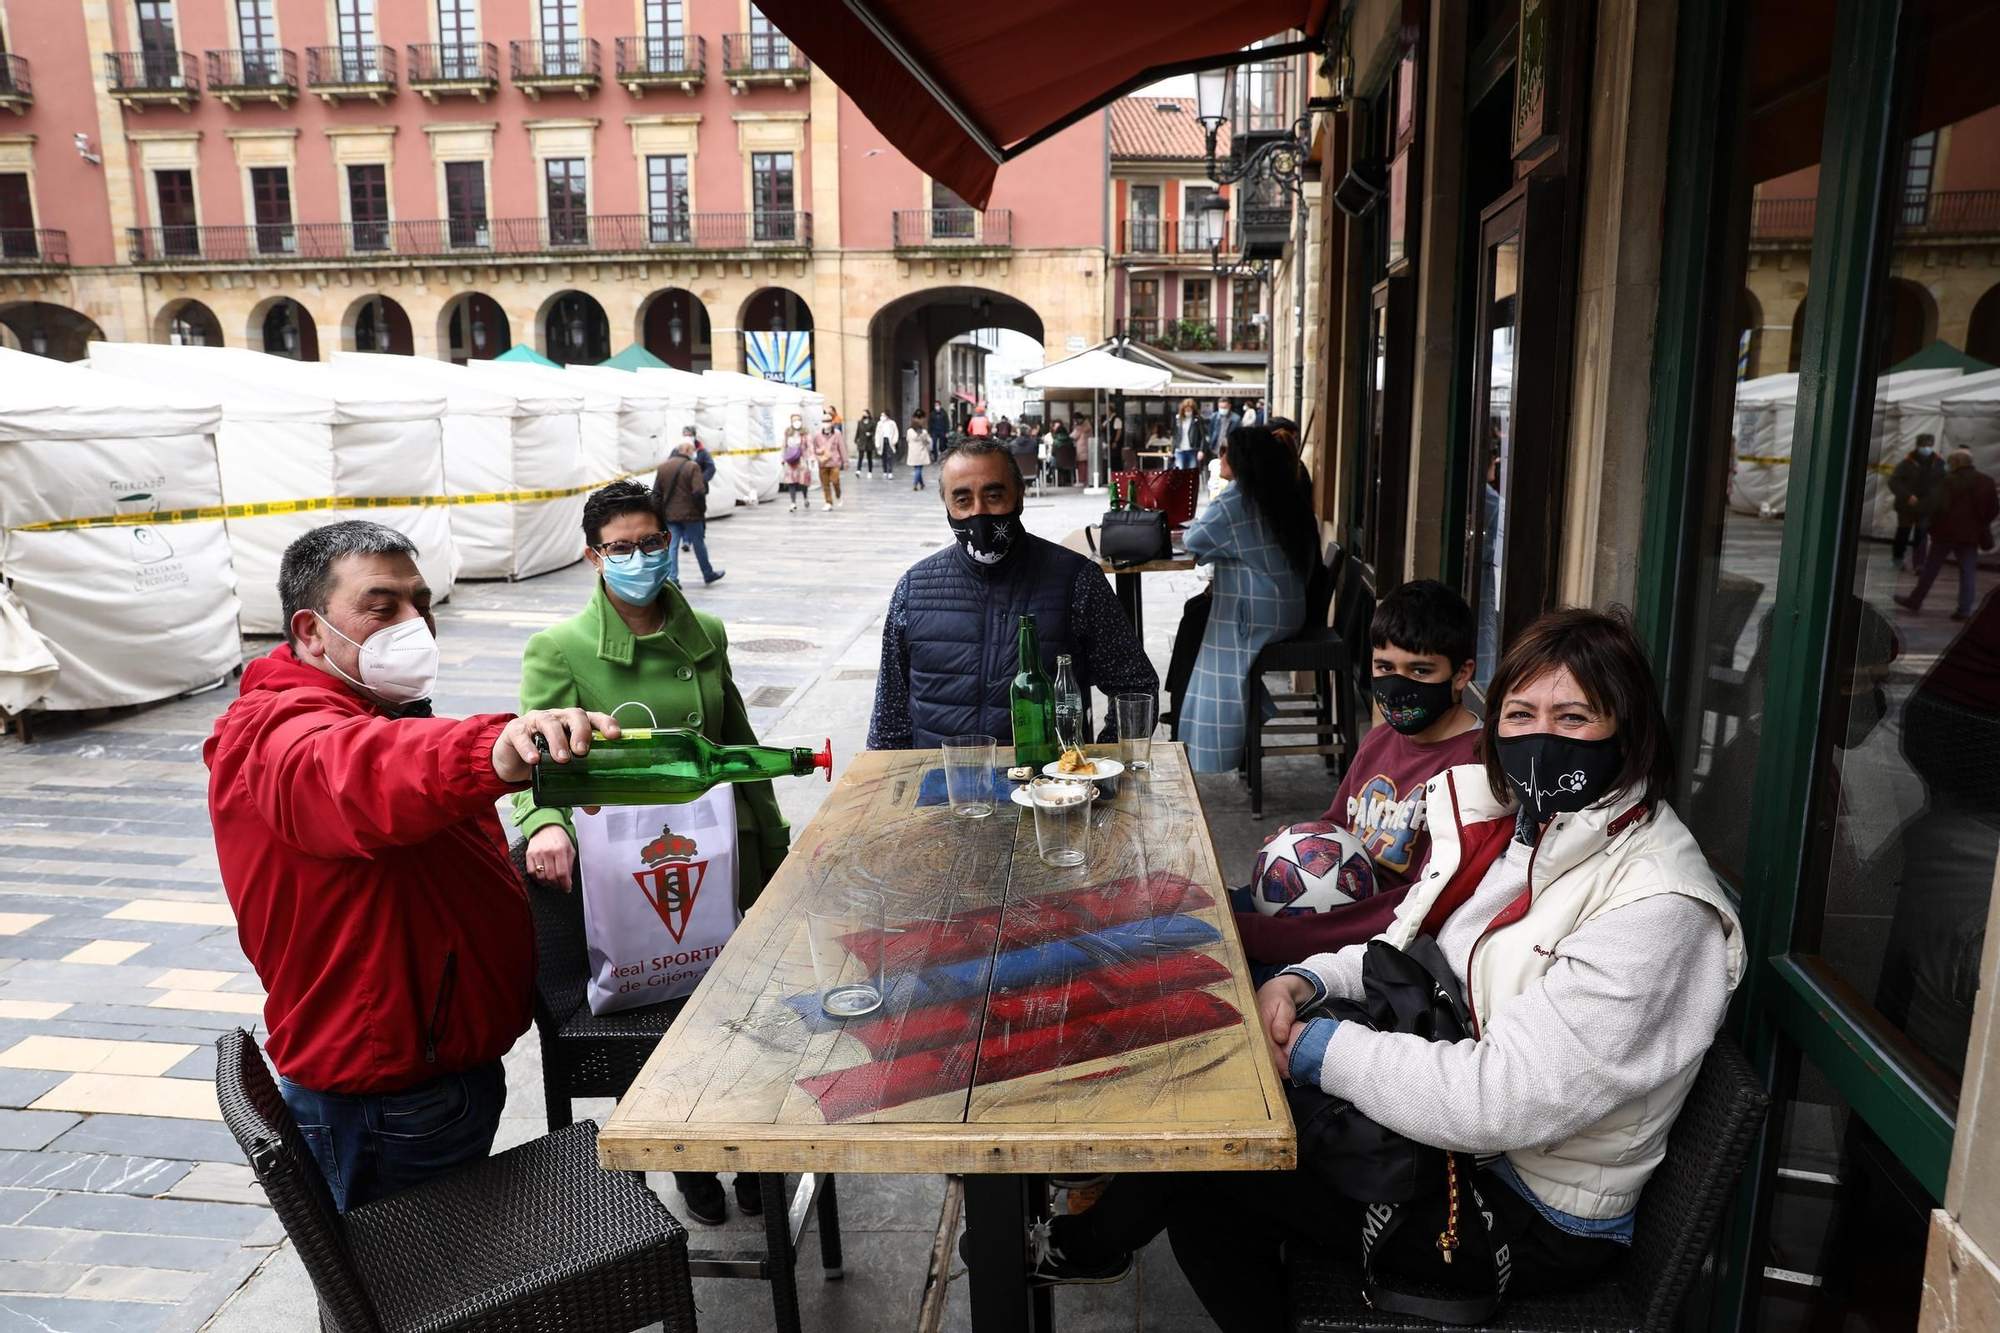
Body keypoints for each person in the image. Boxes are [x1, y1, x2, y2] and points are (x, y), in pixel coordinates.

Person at [1011, 610, 1743, 1333]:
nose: (1540, 735)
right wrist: (1307, 980)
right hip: (1465, 1143)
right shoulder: (1533, 828)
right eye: (1520, 712)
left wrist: (1315, 1050)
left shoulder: (1657, 908)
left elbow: (1500, 1098)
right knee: (1217, 1117)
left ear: (1632, 731)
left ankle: (1088, 1243)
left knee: (1214, 1167)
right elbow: (1405, 950)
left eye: (1575, 716)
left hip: (1530, 1207)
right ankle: (1093, 1235)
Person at [204, 520, 618, 1212]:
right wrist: (493, 750)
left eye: (421, 602)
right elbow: (356, 773)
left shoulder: (369, 707)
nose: (414, 622)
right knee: (415, 1296)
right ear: (310, 632)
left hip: (425, 1082)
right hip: (391, 1106)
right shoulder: (279, 732)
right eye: (382, 605)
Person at [514, 481, 788, 1225]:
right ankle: (688, 1158)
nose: (640, 557)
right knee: (664, 1009)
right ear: (593, 556)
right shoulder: (561, 648)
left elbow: (738, 746)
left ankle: (752, 1152)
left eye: (652, 542)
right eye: (622, 547)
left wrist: (775, 835)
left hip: (723, 851)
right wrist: (544, 821)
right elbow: (531, 760)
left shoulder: (707, 633)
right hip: (634, 870)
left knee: (743, 1012)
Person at [1232, 580, 1483, 970]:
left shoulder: (1474, 769)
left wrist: (1267, 937)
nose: (1397, 686)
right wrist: (1302, 845)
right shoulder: (1381, 738)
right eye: (1385, 667)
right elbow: (1338, 825)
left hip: (1362, 945)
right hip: (1309, 905)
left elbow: (1420, 905)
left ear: (1462, 674)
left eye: (1420, 670)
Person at [868, 437, 1158, 750]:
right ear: (947, 505)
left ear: (1019, 495)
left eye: (993, 495)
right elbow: (889, 720)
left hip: (1047, 790)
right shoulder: (914, 589)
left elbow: (1136, 687)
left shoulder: (1076, 580)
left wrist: (1100, 767)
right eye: (963, 500)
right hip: (940, 787)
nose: (979, 512)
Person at [1178, 426, 1317, 772]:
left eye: (1226, 450)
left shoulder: (1237, 498)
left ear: (1241, 459)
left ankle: (1213, 746)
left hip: (1262, 614)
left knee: (1204, 635)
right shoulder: (1282, 491)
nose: (1220, 456)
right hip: (1291, 609)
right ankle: (1189, 705)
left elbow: (1195, 540)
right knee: (1195, 613)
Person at [1898, 450, 1997, 620]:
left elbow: (1939, 508)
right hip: (1971, 535)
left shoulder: (1949, 481)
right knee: (1968, 572)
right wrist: (1980, 525)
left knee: (1931, 568)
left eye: (1951, 462)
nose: (1949, 465)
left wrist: (1932, 527)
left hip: (1946, 533)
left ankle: (1916, 600)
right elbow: (1994, 509)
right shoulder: (1987, 482)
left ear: (1958, 462)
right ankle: (1964, 610)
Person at [652, 435, 722, 587]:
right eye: (692, 450)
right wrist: (701, 509)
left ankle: (673, 578)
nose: (694, 452)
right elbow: (698, 491)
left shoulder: (663, 467)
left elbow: (656, 492)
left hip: (670, 514)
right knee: (698, 544)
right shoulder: (692, 466)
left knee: (672, 546)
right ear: (687, 449)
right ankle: (707, 573)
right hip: (691, 514)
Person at [1890, 433, 1947, 572]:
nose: (1927, 448)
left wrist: (1936, 499)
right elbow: (1894, 481)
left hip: (1927, 506)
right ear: (1917, 445)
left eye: (1929, 445)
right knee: (1903, 532)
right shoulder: (1907, 462)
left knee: (1921, 535)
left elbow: (1944, 482)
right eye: (1924, 445)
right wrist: (1907, 495)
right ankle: (1898, 558)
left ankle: (1919, 564)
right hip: (1906, 506)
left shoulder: (1939, 463)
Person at [811, 409, 847, 510]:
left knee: (835, 481)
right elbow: (813, 448)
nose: (826, 424)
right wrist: (817, 453)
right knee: (825, 484)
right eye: (824, 422)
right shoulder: (818, 435)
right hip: (823, 462)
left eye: (828, 421)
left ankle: (838, 494)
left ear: (831, 422)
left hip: (834, 461)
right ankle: (828, 502)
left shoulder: (837, 433)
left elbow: (842, 447)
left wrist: (845, 461)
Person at [780, 411, 813, 513]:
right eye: (794, 420)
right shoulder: (787, 433)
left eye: (798, 420)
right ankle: (793, 502)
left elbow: (810, 446)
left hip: (802, 459)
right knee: (791, 482)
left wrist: (811, 458)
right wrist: (782, 458)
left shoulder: (805, 434)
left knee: (803, 482)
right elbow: (783, 446)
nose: (796, 422)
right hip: (791, 460)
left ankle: (805, 496)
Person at [1171, 398, 1207, 470]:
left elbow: (1202, 436)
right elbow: (1175, 435)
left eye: (1189, 410)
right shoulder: (1178, 419)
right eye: (1186, 410)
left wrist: (1201, 450)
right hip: (1180, 449)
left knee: (1192, 471)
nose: (1187, 411)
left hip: (1192, 449)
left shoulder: (1197, 419)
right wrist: (1172, 450)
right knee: (1180, 471)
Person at [905, 408, 935, 490]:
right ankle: (915, 484)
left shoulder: (909, 431)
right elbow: (928, 441)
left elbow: (907, 439)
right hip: (921, 452)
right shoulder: (923, 432)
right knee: (919, 469)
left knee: (917, 468)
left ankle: (921, 483)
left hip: (912, 452)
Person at [1209, 397, 1240, 463]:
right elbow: (1211, 430)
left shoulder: (1236, 419)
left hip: (1229, 450)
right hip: (1215, 448)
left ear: (1229, 406)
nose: (1222, 409)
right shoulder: (1214, 417)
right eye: (1221, 407)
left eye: (1225, 407)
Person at [876, 405, 899, 478]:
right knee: (883, 457)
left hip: (889, 440)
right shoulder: (879, 424)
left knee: (890, 456)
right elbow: (877, 433)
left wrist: (895, 440)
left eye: (883, 415)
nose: (882, 417)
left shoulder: (892, 423)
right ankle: (885, 471)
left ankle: (890, 472)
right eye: (881, 415)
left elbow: (896, 432)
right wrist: (877, 442)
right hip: (882, 440)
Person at [854, 409, 878, 477]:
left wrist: (870, 434)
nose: (864, 415)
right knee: (860, 457)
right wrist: (856, 439)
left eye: (865, 413)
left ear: (868, 414)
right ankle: (858, 470)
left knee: (869, 457)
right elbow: (858, 431)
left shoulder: (872, 422)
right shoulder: (860, 422)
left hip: (869, 442)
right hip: (862, 441)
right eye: (863, 413)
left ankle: (870, 471)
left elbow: (875, 431)